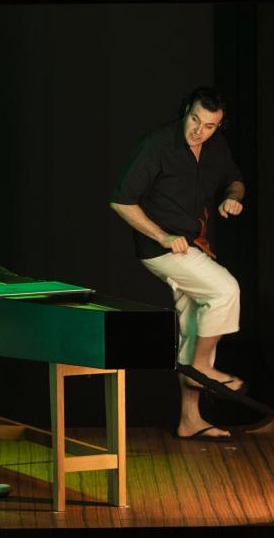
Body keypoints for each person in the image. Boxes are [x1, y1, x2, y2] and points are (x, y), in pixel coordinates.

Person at [110, 86, 247, 441]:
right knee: (225, 290)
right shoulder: (157, 145)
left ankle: (190, 419)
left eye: (209, 126)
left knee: (196, 323)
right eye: (195, 120)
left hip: (193, 245)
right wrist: (162, 236)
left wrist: (232, 199)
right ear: (186, 110)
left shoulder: (216, 147)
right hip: (162, 250)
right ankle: (201, 368)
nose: (198, 131)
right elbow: (121, 201)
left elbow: (235, 180)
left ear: (219, 126)